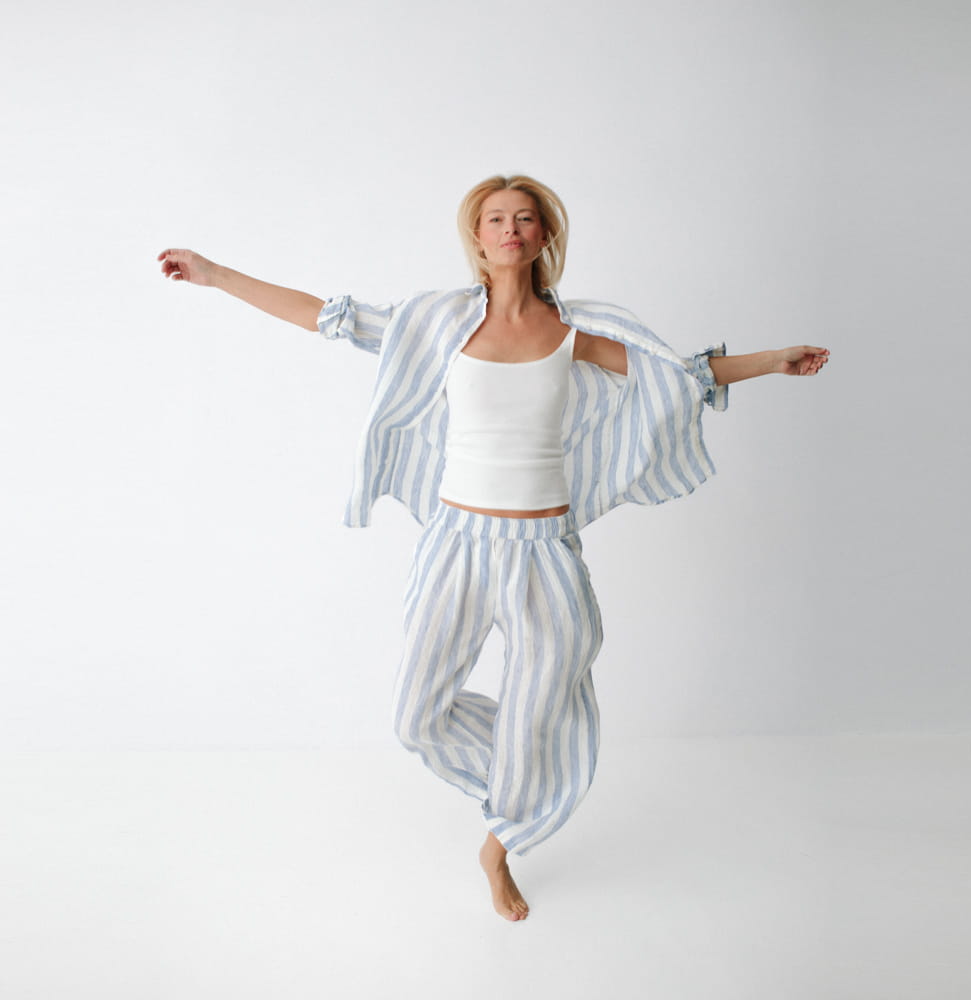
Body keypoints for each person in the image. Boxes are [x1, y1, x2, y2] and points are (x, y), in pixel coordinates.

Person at [158, 174, 829, 922]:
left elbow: (675, 377)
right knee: (416, 718)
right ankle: (520, 787)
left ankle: (499, 843)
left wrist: (771, 360)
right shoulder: (434, 325)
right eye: (496, 218)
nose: (510, 229)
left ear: (545, 236)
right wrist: (215, 274)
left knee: (537, 711)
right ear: (477, 237)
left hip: (544, 551)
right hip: (458, 544)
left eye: (525, 218)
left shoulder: (571, 334)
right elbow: (322, 316)